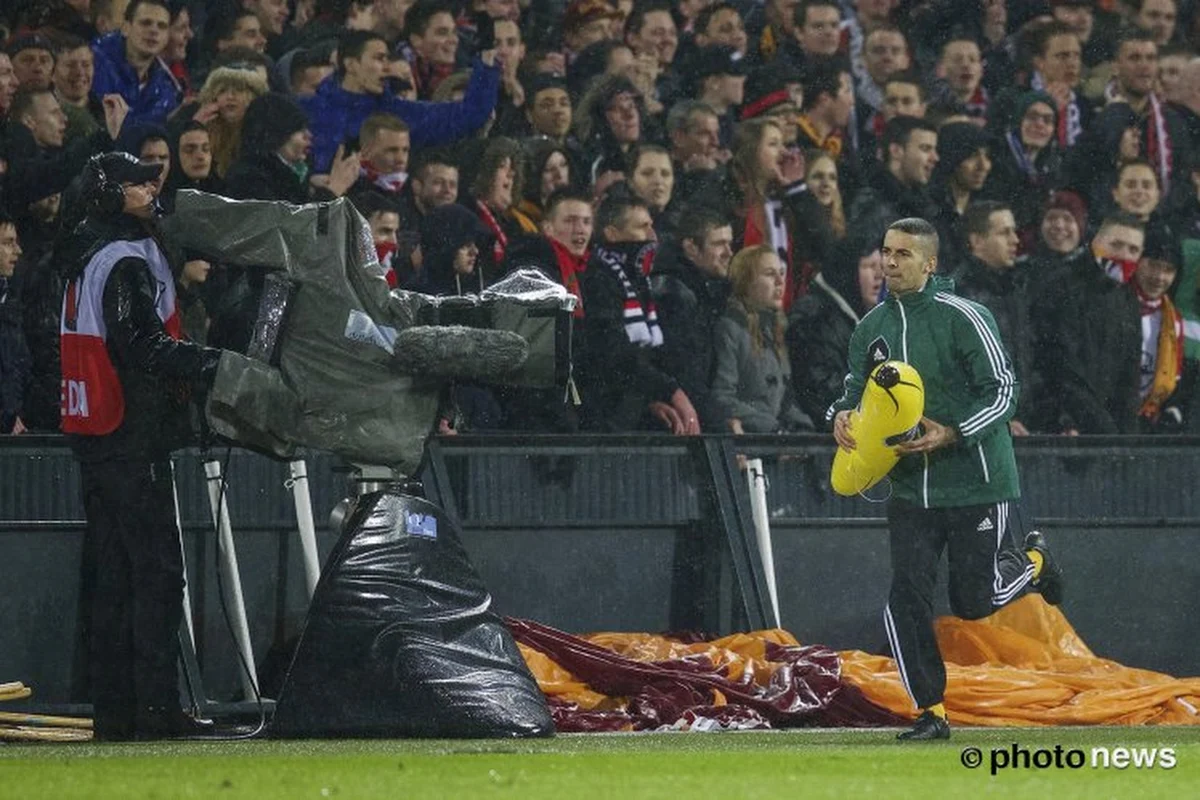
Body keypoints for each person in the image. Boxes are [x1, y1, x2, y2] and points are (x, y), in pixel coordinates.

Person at [829, 217, 1063, 741]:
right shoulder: (870, 328)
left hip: (977, 481)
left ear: (930, 263)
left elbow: (1004, 391)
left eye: (903, 255)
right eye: (886, 252)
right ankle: (930, 711)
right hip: (911, 487)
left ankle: (1036, 561)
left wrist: (953, 432)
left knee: (973, 601)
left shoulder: (966, 316)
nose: (890, 263)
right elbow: (851, 391)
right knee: (904, 598)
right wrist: (840, 417)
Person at [59, 152, 224, 740]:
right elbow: (143, 348)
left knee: (113, 577)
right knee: (155, 575)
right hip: (130, 434)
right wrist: (219, 366)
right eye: (136, 182)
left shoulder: (83, 253)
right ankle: (155, 710)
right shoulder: (124, 259)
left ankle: (117, 712)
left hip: (96, 434)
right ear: (109, 192)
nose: (151, 188)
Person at [712, 245, 813, 434]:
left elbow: (785, 400)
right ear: (746, 281)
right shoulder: (730, 329)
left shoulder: (776, 330)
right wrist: (772, 429)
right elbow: (722, 397)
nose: (779, 281)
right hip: (751, 445)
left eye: (782, 273)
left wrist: (802, 428)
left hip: (774, 444)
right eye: (769, 274)